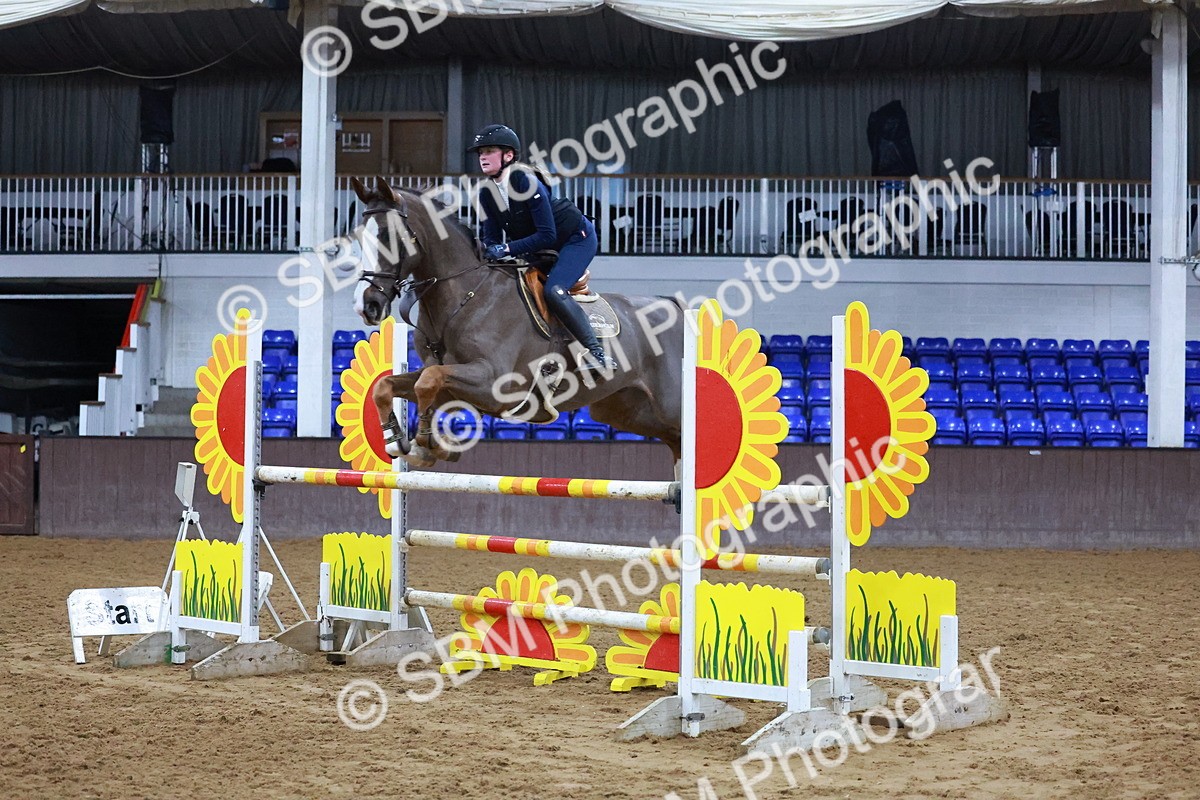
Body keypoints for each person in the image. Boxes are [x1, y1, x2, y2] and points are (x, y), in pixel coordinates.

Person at [467, 123, 615, 375]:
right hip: (538, 248)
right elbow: (490, 236)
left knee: (554, 291)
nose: (482, 156)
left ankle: (597, 353)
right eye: (480, 152)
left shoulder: (526, 181)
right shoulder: (486, 194)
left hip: (574, 239)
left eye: (489, 150)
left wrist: (504, 249)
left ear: (509, 155)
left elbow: (547, 235)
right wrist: (488, 251)